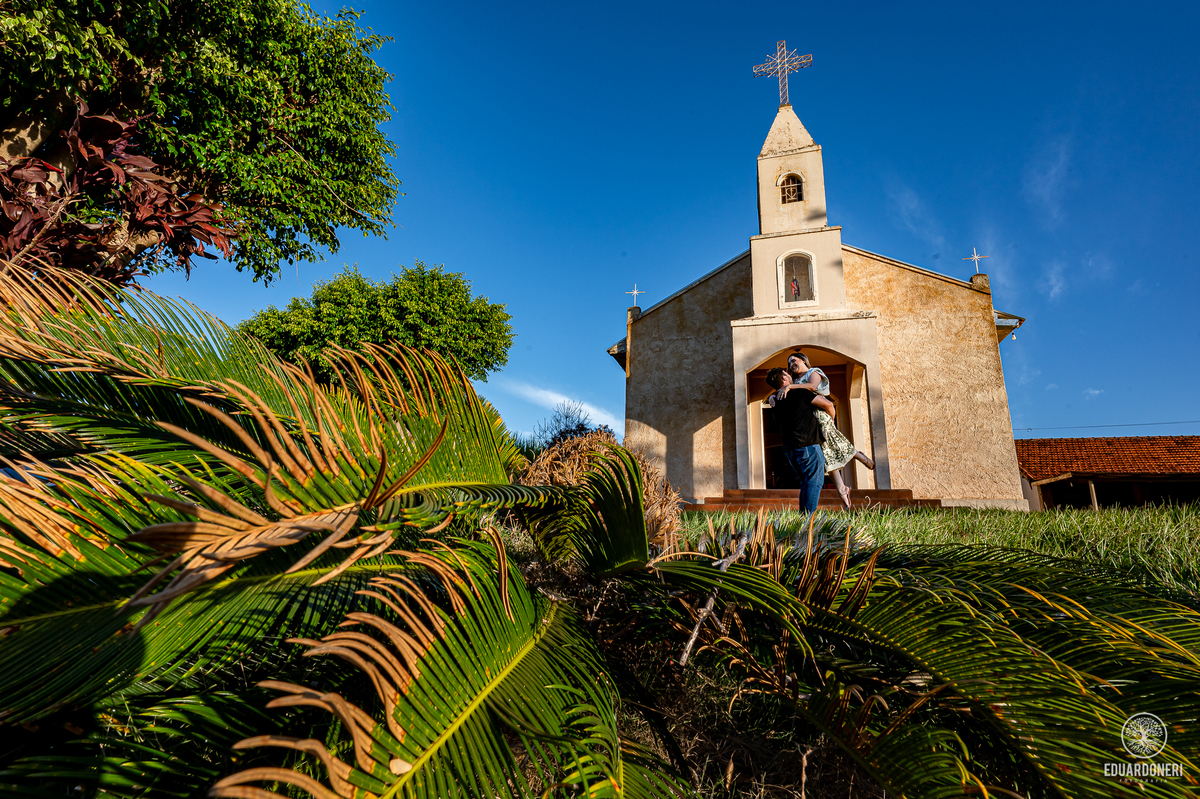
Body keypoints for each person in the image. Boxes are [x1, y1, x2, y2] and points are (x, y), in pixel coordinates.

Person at [779, 352, 877, 509]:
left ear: (804, 360)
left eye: (794, 361)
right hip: (811, 420)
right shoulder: (796, 381)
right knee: (826, 455)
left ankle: (859, 456)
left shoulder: (814, 372)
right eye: (789, 363)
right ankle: (842, 489)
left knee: (835, 442)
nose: (791, 365)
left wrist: (831, 418)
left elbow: (812, 387)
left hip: (821, 414)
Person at [764, 367, 833, 515]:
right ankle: (808, 520)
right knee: (814, 482)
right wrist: (831, 422)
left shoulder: (774, 399)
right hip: (807, 445)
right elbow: (828, 404)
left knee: (806, 482)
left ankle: (803, 517)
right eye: (788, 374)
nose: (791, 376)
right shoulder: (798, 393)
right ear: (784, 378)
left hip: (790, 448)